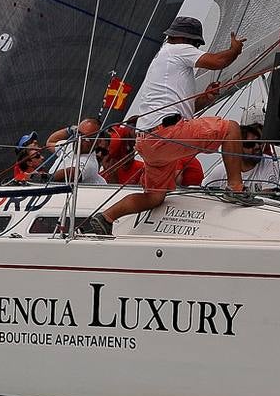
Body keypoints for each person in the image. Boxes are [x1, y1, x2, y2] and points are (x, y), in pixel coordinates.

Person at [83, 16, 251, 236]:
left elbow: (186, 108)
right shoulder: (176, 49)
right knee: (230, 127)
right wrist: (235, 50)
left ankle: (106, 217)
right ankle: (236, 189)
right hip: (166, 134)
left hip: (148, 140)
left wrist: (206, 98)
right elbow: (218, 61)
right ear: (182, 38)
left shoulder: (165, 62)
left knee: (154, 197)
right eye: (195, 43)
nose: (196, 47)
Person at [203, 123, 280, 192]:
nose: (257, 146)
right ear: (237, 148)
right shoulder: (222, 170)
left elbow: (269, 194)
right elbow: (203, 190)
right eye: (250, 144)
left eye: (258, 141)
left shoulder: (270, 164)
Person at [45, 118, 107, 185]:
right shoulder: (69, 145)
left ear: (97, 142)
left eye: (86, 138)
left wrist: (45, 177)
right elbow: (50, 143)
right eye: (78, 133)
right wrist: (69, 130)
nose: (79, 139)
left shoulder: (90, 163)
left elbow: (72, 173)